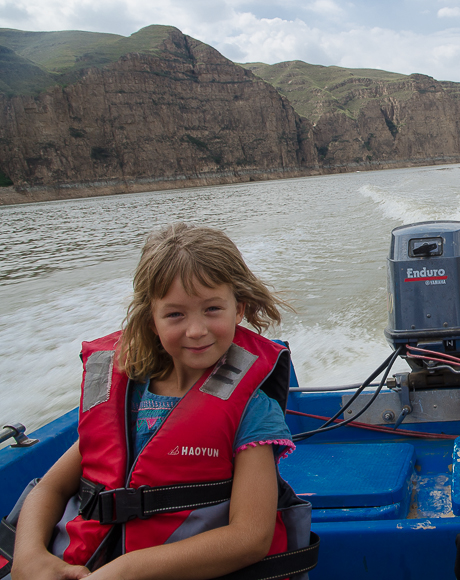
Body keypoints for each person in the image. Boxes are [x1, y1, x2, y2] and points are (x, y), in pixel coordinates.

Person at [11, 223, 314, 580]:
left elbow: (251, 537)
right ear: (151, 321)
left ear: (238, 309)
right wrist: (30, 556)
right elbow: (50, 487)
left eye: (212, 309)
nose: (196, 330)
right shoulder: (124, 399)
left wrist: (127, 570)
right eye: (175, 314)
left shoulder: (253, 410)